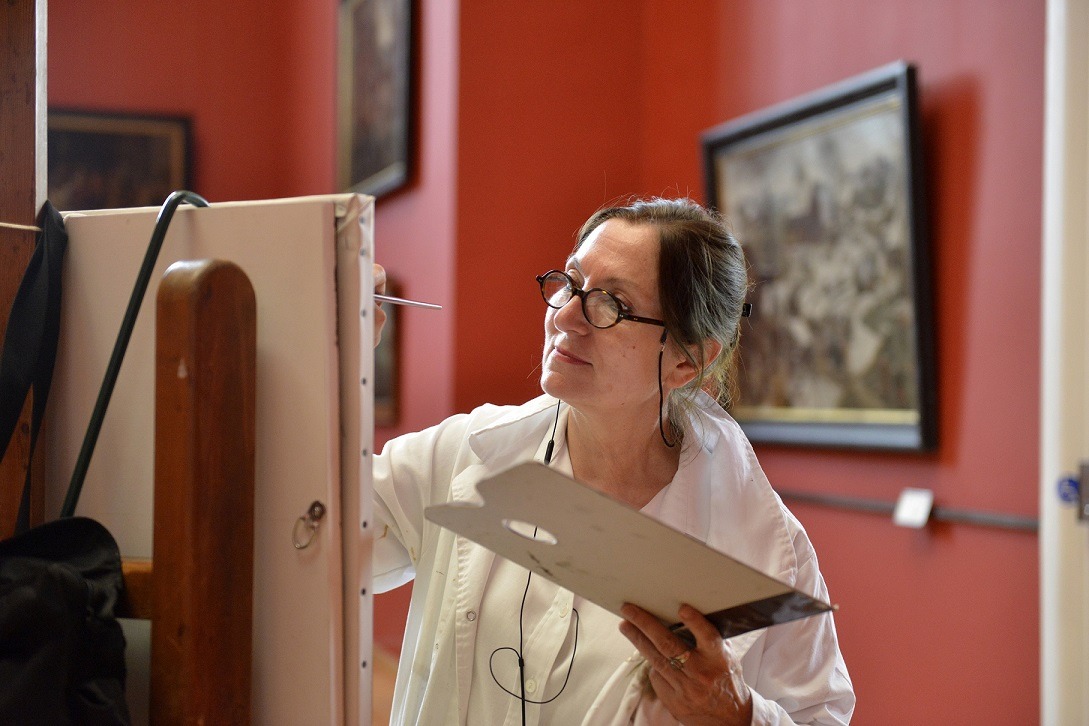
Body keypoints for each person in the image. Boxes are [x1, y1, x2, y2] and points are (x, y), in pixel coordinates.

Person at [370, 197, 855, 725]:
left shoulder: (767, 548)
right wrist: (332, 348)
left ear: (688, 360)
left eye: (612, 303)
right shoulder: (463, 453)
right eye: (570, 283)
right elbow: (311, 528)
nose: (568, 315)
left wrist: (738, 715)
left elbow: (818, 717)